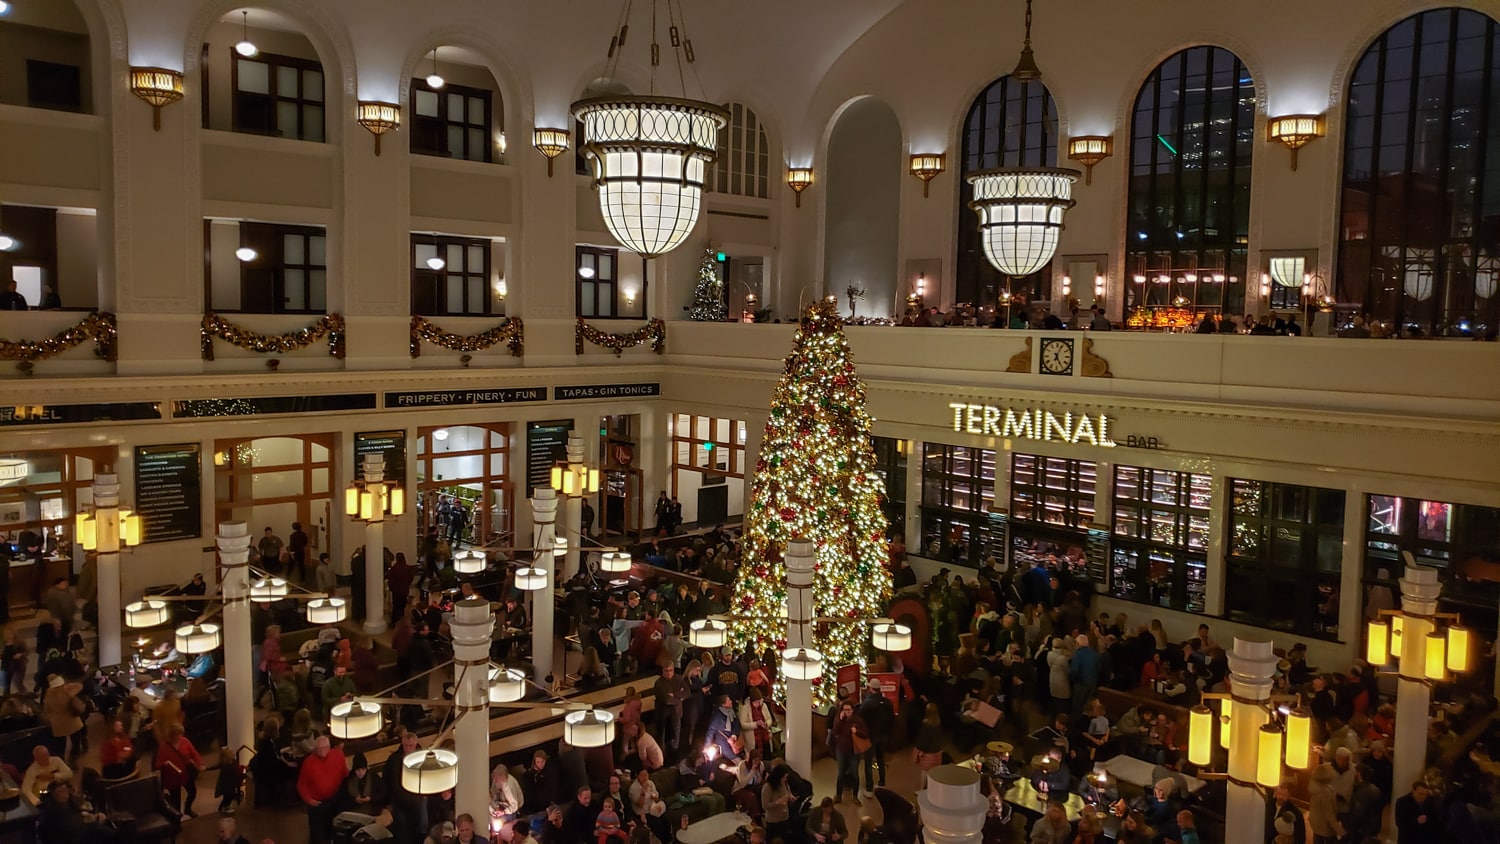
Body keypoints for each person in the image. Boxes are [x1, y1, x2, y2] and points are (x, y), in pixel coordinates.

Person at [298, 735, 346, 844]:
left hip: (334, 800)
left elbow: (344, 775)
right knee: (316, 835)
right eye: (318, 749)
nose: (321, 751)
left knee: (333, 831)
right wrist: (308, 800)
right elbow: (302, 784)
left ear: (329, 747)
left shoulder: (338, 755)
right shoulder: (308, 762)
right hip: (317, 804)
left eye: (324, 748)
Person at [857, 677, 893, 795]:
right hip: (883, 736)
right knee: (880, 759)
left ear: (870, 688)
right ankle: (882, 783)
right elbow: (891, 719)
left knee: (868, 762)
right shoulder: (887, 702)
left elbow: (859, 716)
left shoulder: (868, 703)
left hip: (871, 736)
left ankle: (869, 788)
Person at [829, 697, 868, 805]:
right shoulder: (839, 718)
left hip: (854, 752)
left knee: (854, 774)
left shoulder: (858, 720)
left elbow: (865, 734)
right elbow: (835, 731)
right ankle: (838, 795)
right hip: (841, 750)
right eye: (845, 710)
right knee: (840, 773)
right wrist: (840, 720)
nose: (847, 712)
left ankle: (855, 796)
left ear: (853, 710)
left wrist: (857, 731)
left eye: (849, 710)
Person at [1395, 779, 1439, 844]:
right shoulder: (1402, 802)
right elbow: (1400, 823)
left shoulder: (1430, 800)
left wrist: (1427, 819)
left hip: (1425, 839)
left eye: (1425, 794)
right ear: (1413, 791)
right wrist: (1416, 821)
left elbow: (1435, 818)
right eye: (1420, 794)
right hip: (1409, 839)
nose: (1423, 797)